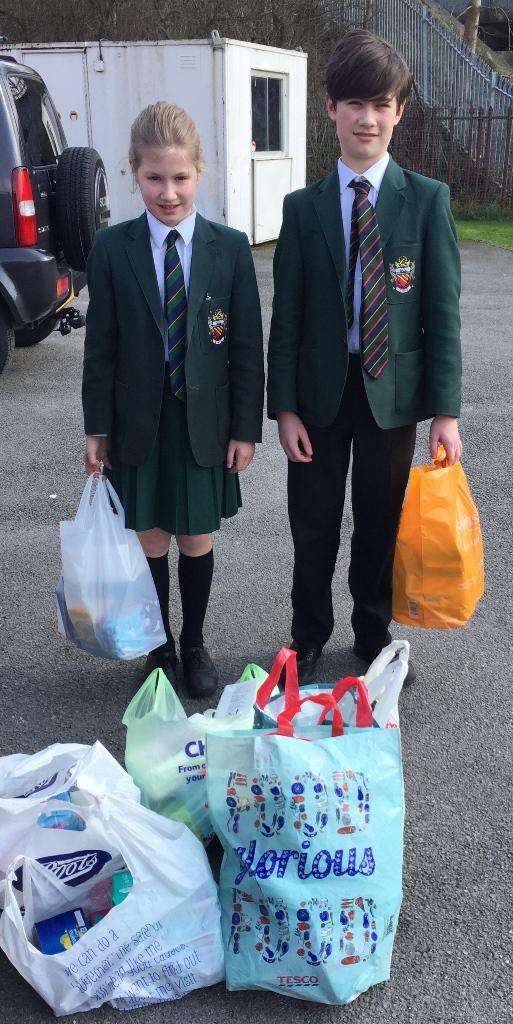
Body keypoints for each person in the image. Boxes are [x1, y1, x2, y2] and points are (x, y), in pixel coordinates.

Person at [267, 29, 463, 686]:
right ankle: (307, 635)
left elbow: (442, 315)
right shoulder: (302, 208)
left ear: (399, 111)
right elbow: (286, 316)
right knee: (313, 523)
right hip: (320, 395)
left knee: (379, 522)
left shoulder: (426, 200)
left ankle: (372, 632)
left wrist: (445, 412)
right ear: (329, 108)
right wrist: (284, 407)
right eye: (353, 103)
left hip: (392, 394)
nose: (366, 118)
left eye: (380, 104)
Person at [82, 101, 264, 698]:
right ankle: (159, 645)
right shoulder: (112, 249)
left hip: (203, 421)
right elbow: (100, 349)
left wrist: (246, 427)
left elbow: (244, 349)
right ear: (133, 170)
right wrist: (97, 427)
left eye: (180, 178)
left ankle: (195, 643)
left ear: (200, 173)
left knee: (196, 537)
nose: (168, 192)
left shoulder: (229, 248)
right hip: (140, 421)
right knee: (151, 536)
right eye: (155, 178)